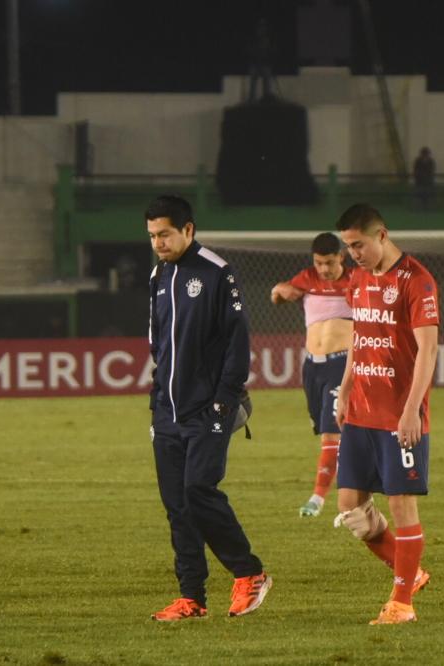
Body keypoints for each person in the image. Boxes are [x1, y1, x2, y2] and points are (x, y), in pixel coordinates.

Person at [145, 195, 271, 620]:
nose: (158, 243)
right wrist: (156, 404)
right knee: (177, 505)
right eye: (152, 236)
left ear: (188, 230)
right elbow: (158, 344)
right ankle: (192, 598)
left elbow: (238, 345)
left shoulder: (218, 273)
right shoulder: (158, 275)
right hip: (168, 414)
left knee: (199, 490)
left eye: (164, 234)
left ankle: (249, 572)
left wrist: (223, 401)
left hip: (207, 410)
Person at [333, 203, 438, 625]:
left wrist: (412, 410)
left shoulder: (418, 281)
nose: (352, 254)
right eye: (347, 246)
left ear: (382, 235)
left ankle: (402, 604)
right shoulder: (357, 279)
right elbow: (360, 333)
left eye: (358, 245)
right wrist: (343, 389)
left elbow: (429, 349)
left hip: (399, 415)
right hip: (360, 410)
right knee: (351, 509)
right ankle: (411, 570)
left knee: (401, 507)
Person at [270, 232, 354, 517]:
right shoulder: (307, 279)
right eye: (319, 263)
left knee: (331, 434)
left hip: (341, 365)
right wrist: (279, 293)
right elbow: (280, 294)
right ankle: (356, 471)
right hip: (312, 366)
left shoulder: (355, 282)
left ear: (341, 257)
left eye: (329, 262)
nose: (324, 269)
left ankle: (318, 498)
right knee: (326, 431)